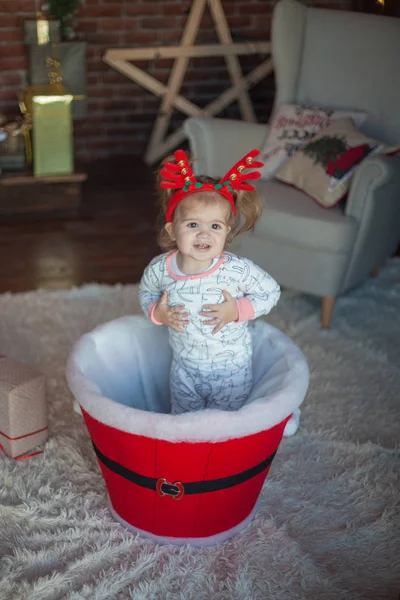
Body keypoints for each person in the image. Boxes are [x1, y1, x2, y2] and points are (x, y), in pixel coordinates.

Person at [139, 149, 281, 415]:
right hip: (184, 368)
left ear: (226, 232)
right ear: (172, 230)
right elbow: (147, 292)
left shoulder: (237, 270)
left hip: (231, 370)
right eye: (193, 225)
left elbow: (271, 292)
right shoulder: (161, 269)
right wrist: (157, 312)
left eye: (215, 226)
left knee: (227, 426)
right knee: (185, 423)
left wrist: (237, 310)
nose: (204, 234)